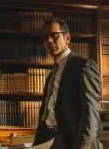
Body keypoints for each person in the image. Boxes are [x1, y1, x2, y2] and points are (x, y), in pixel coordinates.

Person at [33, 18, 102, 149]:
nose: (48, 40)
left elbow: (91, 111)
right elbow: (45, 115)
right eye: (45, 37)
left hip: (73, 142)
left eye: (53, 35)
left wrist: (82, 146)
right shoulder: (50, 76)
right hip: (49, 140)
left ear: (67, 38)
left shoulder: (84, 66)